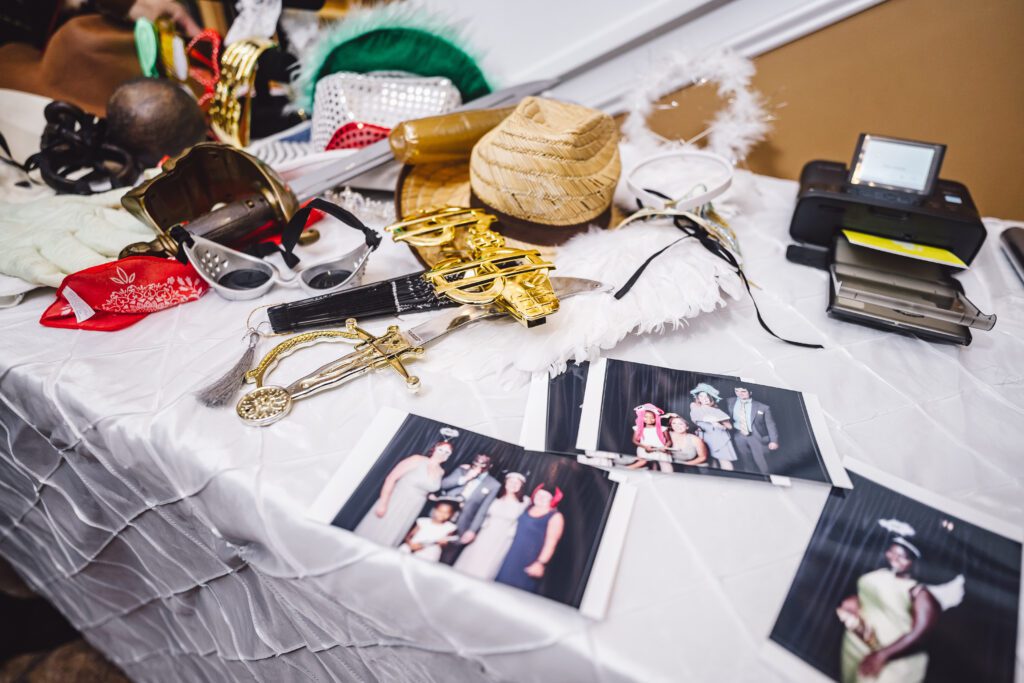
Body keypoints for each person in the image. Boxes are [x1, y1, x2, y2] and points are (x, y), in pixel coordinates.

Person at [836, 519, 964, 683]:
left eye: (902, 557)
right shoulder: (880, 573)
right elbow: (868, 596)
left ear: (914, 562)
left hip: (890, 659)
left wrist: (882, 655)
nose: (894, 559)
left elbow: (919, 633)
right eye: (892, 552)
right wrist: (854, 601)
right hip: (857, 645)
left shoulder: (920, 593)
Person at [354, 441, 452, 548]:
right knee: (377, 529)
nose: (442, 453)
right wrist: (383, 503)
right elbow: (391, 478)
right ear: (434, 449)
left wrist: (430, 496)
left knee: (392, 534)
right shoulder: (417, 459)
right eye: (441, 450)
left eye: (447, 452)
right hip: (396, 501)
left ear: (448, 456)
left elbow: (425, 487)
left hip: (413, 507)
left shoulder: (441, 471)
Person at [453, 472, 530, 581]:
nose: (513, 485)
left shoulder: (524, 502)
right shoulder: (496, 497)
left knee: (490, 561)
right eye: (511, 482)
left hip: (502, 537)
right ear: (506, 483)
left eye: (517, 483)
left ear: (521, 486)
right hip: (485, 533)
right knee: (474, 556)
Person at [495, 485, 565, 594]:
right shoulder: (527, 507)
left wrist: (540, 563)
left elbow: (551, 543)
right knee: (498, 588)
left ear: (552, 499)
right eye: (539, 494)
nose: (541, 498)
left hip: (529, 561)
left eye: (545, 496)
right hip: (511, 556)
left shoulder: (555, 516)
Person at [436, 454, 501, 565]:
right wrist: (466, 477)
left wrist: (472, 530)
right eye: (476, 461)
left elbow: (483, 510)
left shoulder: (494, 484)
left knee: (446, 560)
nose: (478, 465)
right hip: (441, 519)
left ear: (490, 466)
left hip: (462, 525)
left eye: (483, 463)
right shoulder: (462, 470)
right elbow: (443, 485)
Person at [723, 386, 778, 474]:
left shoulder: (762, 407)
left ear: (750, 392)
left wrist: (774, 441)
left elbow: (770, 425)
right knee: (746, 460)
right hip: (738, 435)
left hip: (756, 436)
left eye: (743, 391)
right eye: (737, 391)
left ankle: (768, 479)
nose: (739, 394)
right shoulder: (730, 401)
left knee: (762, 462)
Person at [688, 383, 738, 471]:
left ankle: (729, 480)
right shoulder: (695, 408)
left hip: (719, 438)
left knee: (724, 461)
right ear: (698, 398)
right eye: (701, 396)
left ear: (711, 398)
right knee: (711, 461)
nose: (704, 399)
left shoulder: (716, 411)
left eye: (707, 396)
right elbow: (695, 419)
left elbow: (729, 427)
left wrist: (718, 424)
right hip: (705, 437)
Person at [630, 403, 672, 472]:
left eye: (652, 417)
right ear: (642, 417)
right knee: (645, 464)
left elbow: (669, 441)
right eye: (646, 416)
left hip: (660, 451)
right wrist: (645, 447)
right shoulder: (638, 428)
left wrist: (665, 447)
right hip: (645, 450)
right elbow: (634, 440)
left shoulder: (662, 428)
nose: (649, 419)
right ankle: (624, 470)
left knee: (666, 466)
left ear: (656, 418)